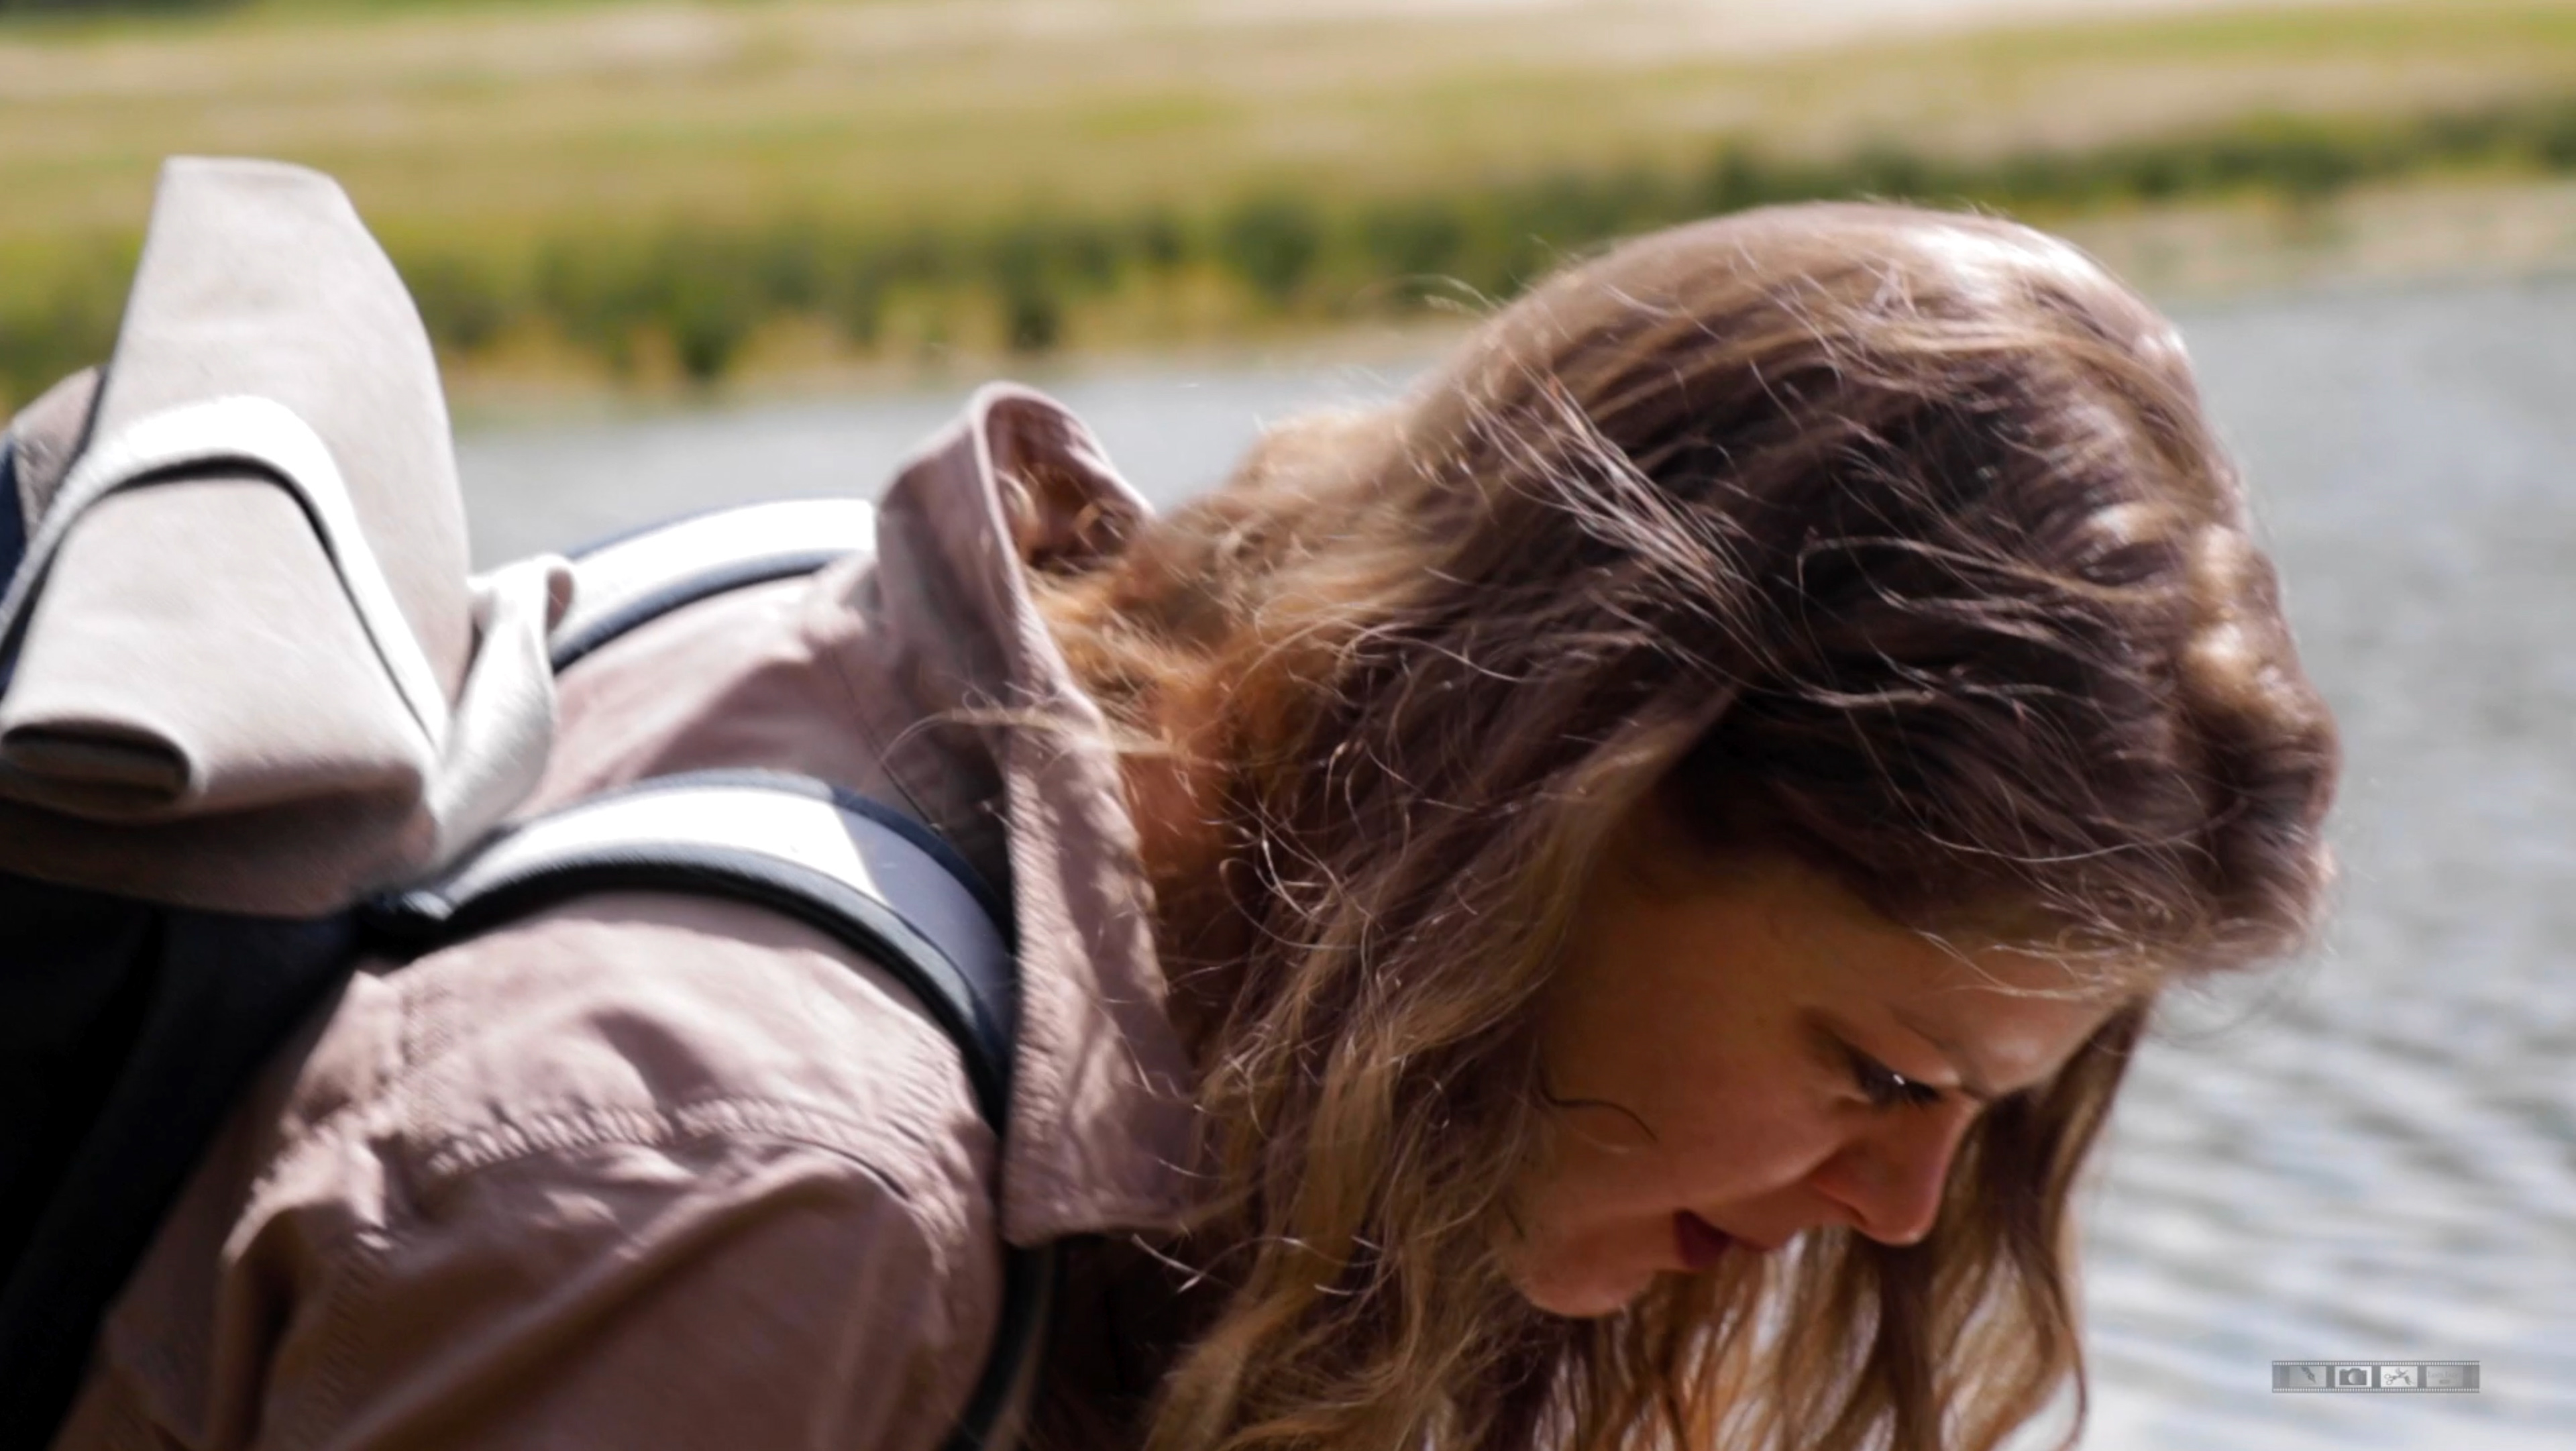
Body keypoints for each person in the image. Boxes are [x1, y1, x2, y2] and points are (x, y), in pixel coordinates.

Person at [54, 202, 2337, 1451]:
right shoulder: (775, 1192)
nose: (1903, 1208)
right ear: (1567, 792)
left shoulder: (984, 682)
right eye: (1882, 1068)